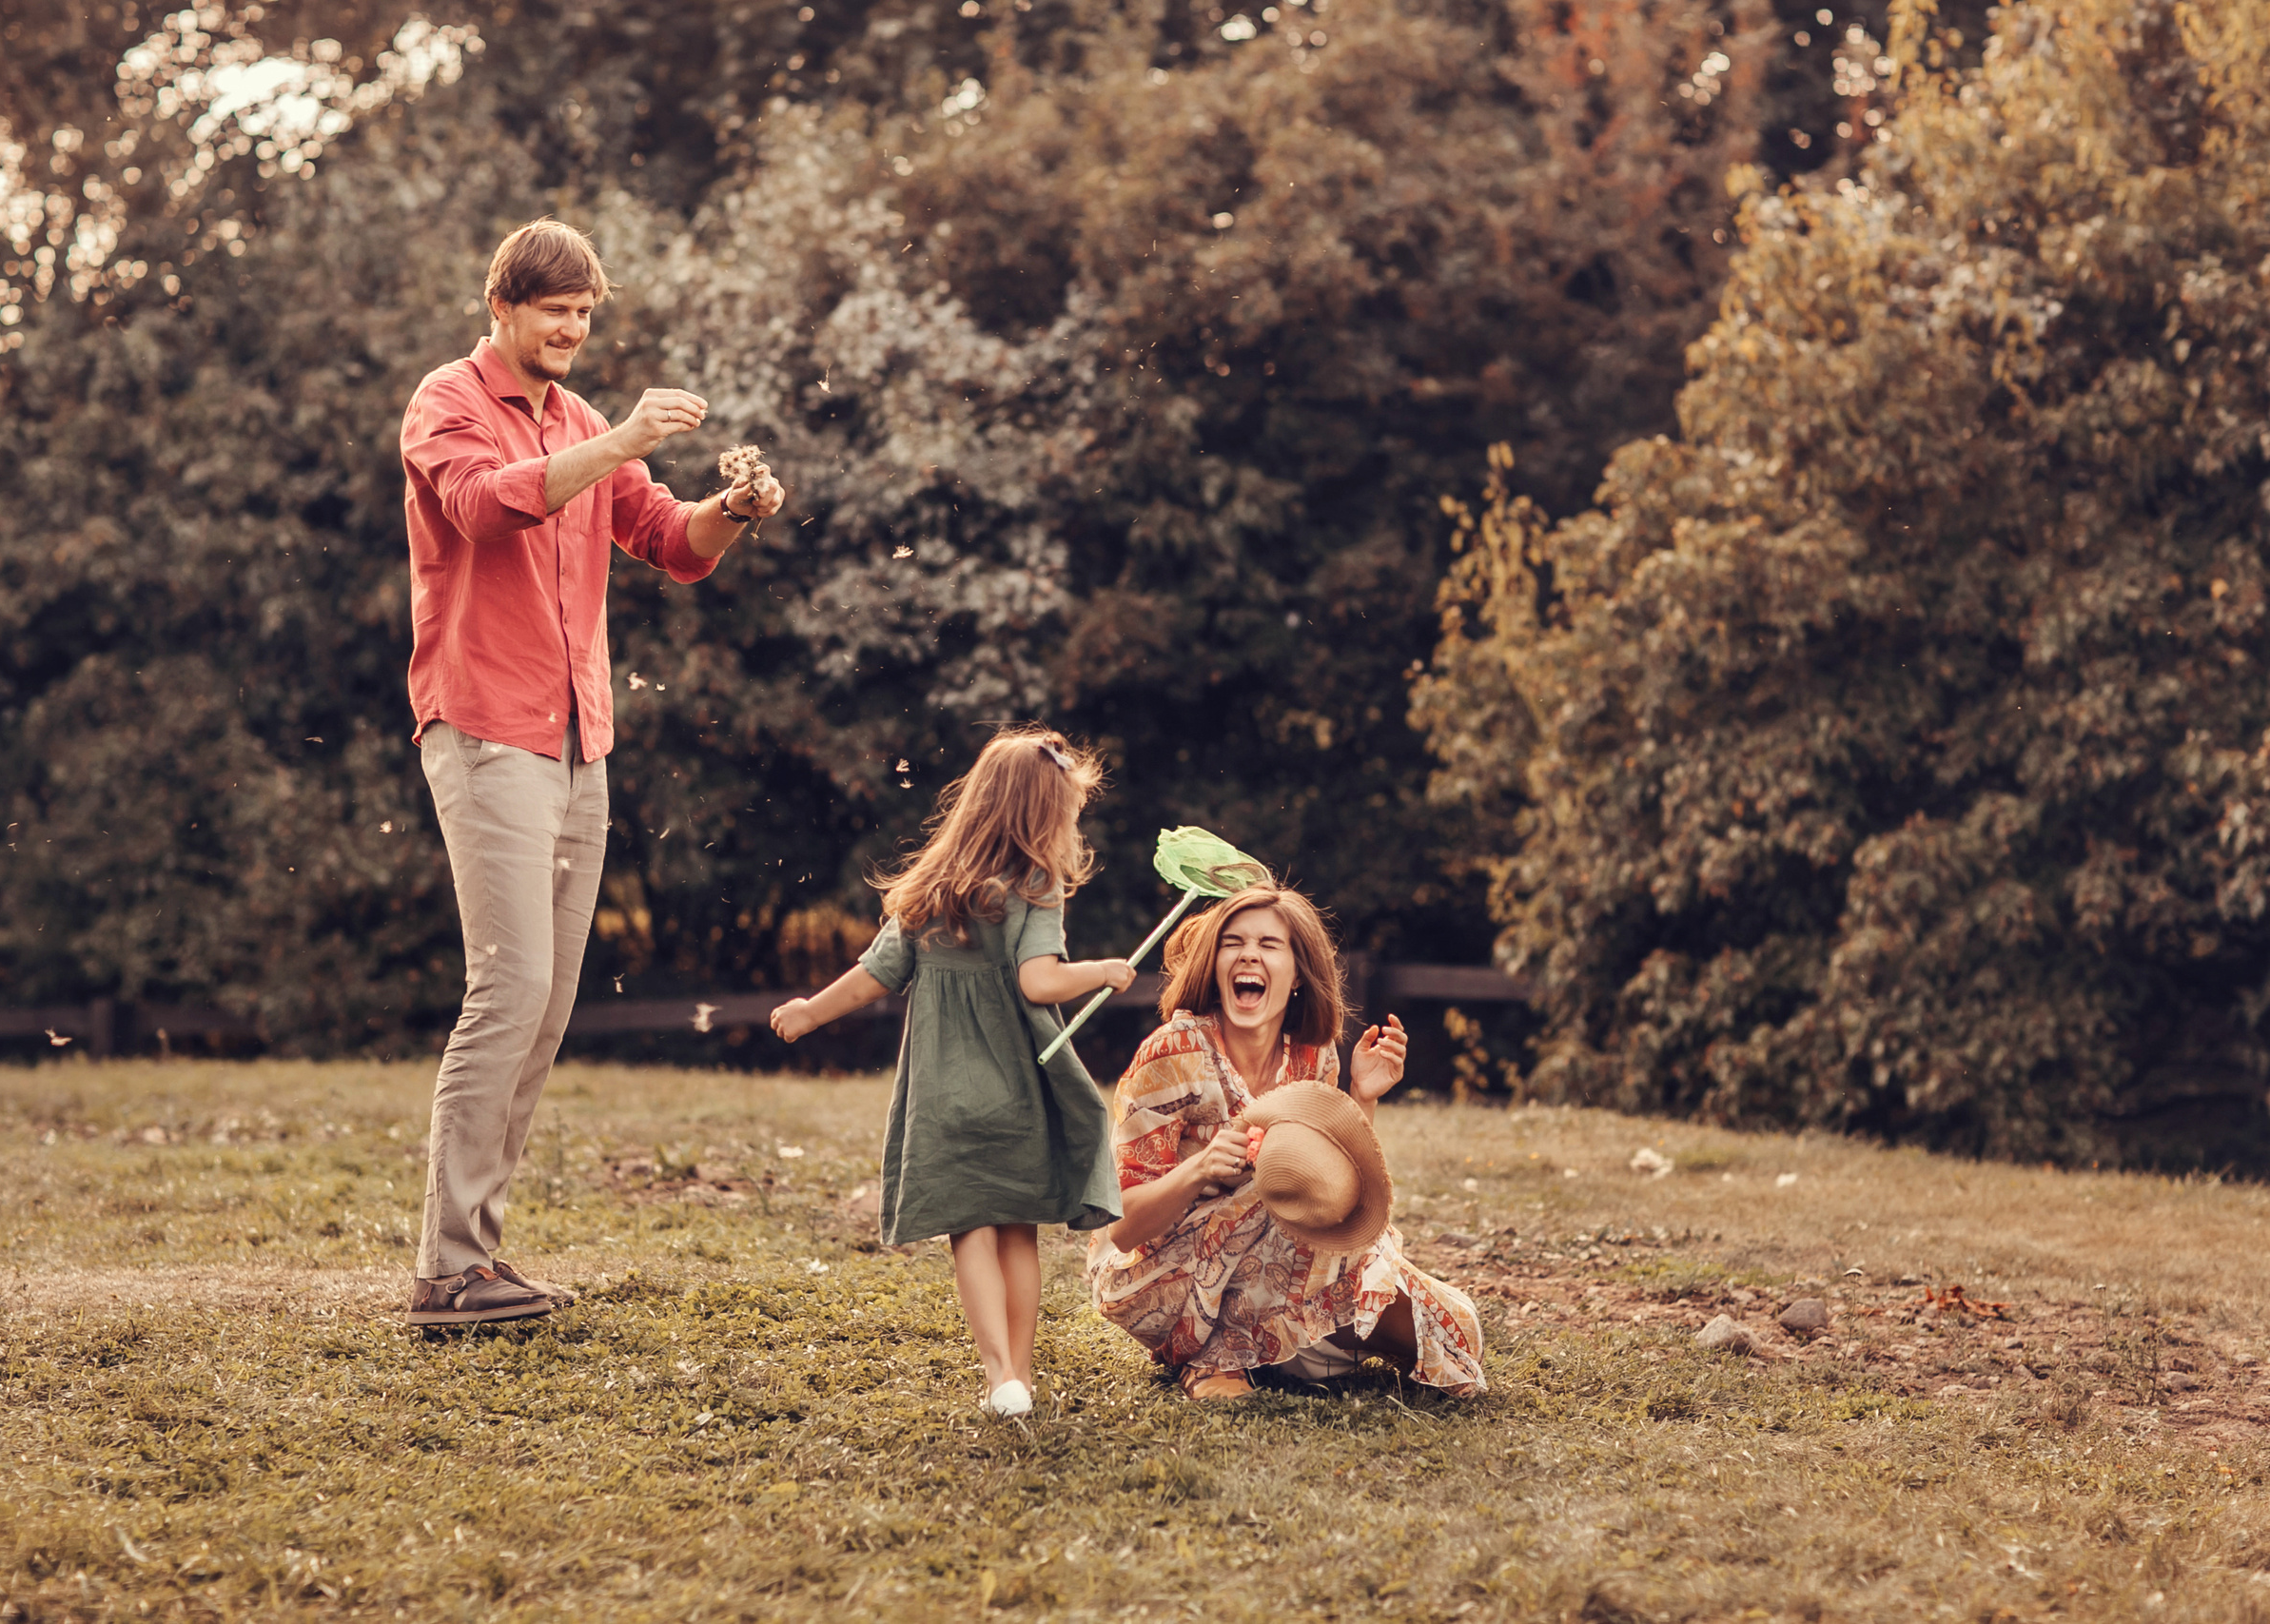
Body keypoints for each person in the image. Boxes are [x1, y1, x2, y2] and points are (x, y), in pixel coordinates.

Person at [400, 218, 785, 1327]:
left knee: (551, 1000)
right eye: (553, 310)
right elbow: (481, 506)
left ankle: (476, 1259)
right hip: (483, 724)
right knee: (508, 988)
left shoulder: (576, 419)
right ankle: (445, 1270)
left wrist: (731, 513)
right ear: (503, 309)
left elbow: (667, 542)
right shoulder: (449, 402)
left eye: (583, 313)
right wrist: (620, 440)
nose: (571, 329)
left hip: (580, 737)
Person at [769, 729, 1130, 1416]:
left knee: (972, 1230)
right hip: (1019, 1087)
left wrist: (811, 1013)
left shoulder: (932, 892)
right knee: (1019, 1230)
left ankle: (1001, 1377)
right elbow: (1038, 981)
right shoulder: (1035, 887)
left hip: (946, 1092)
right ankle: (1021, 1373)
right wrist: (1102, 971)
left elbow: (873, 975)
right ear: (1041, 815)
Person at [1086, 883, 1487, 1399]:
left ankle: (1276, 1351)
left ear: (1297, 975)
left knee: (1456, 1327)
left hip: (1282, 1255)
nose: (1249, 954)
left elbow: (1326, 1187)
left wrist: (1362, 1098)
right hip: (1161, 1271)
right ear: (1213, 964)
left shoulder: (1313, 1056)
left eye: (1269, 945)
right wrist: (1201, 1169)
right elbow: (1120, 1229)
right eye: (1233, 942)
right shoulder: (1175, 1053)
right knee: (1269, 1191)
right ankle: (1211, 1360)